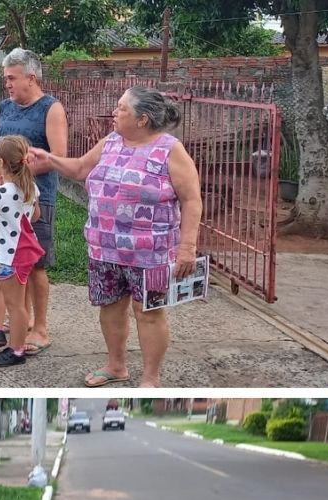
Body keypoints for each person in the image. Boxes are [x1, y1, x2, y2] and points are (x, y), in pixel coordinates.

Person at [29, 86, 202, 387]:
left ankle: (150, 377)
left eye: (122, 108)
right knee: (110, 308)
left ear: (142, 119)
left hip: (150, 253)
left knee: (147, 312)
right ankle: (116, 366)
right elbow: (81, 167)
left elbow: (191, 200)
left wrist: (187, 247)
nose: (115, 112)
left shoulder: (170, 150)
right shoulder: (110, 142)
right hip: (104, 248)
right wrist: (49, 158)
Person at [0, 47, 68, 356]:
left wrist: (18, 173)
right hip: (7, 201)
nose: (6, 83)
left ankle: (40, 328)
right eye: (5, 78)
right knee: (9, 262)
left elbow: (59, 157)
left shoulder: (51, 109)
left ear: (31, 77)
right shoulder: (6, 107)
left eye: (11, 78)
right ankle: (18, 321)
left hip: (36, 199)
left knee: (34, 265)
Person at [0, 135, 42, 367]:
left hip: (10, 257)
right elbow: (36, 216)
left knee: (16, 306)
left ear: (1, 163)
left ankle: (16, 351)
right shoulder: (30, 188)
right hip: (14, 254)